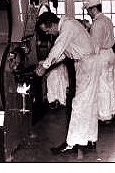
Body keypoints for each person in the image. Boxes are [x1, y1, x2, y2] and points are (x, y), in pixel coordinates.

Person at [35, 12, 99, 155]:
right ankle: (90, 139)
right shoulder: (68, 24)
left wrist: (44, 66)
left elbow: (58, 48)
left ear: (51, 24)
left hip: (86, 64)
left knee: (79, 104)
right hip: (87, 63)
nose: (48, 34)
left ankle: (72, 143)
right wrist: (46, 64)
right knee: (88, 103)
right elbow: (63, 53)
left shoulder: (67, 26)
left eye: (47, 30)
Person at [83, 0, 115, 124]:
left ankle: (104, 115)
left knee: (102, 85)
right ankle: (112, 111)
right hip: (110, 53)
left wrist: (90, 60)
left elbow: (95, 45)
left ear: (94, 9)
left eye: (89, 10)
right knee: (109, 84)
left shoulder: (97, 23)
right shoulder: (106, 20)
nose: (88, 13)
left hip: (101, 55)